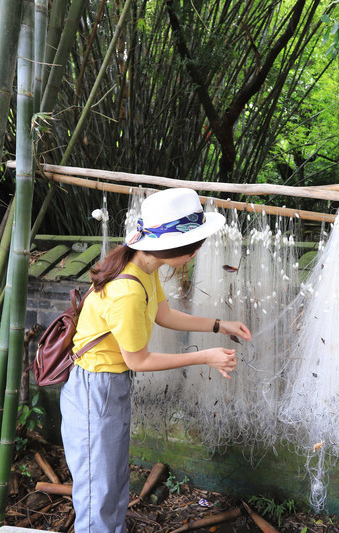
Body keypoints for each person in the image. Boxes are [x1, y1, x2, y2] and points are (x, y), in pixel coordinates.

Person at [60, 188, 252, 532]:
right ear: (172, 248)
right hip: (96, 388)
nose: (196, 253)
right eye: (194, 246)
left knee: (113, 478)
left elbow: (163, 315)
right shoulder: (128, 290)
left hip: (109, 385)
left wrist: (218, 325)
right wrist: (203, 357)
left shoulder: (144, 268)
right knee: (97, 489)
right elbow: (139, 360)